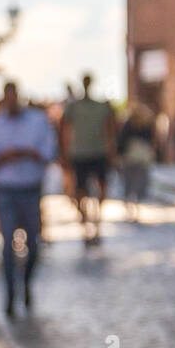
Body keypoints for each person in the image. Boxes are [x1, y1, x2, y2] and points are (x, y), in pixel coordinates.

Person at [0, 80, 58, 318]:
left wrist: (29, 153)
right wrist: (4, 157)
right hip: (6, 189)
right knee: (7, 245)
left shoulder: (37, 121)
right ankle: (10, 294)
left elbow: (49, 151)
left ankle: (26, 284)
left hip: (30, 189)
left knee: (33, 244)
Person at [62, 72, 116, 246]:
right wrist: (64, 153)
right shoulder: (74, 107)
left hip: (97, 152)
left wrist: (111, 152)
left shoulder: (101, 107)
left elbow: (109, 129)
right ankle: (85, 221)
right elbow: (64, 130)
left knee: (101, 187)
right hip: (80, 153)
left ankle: (96, 221)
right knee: (80, 191)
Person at [117, 102, 157, 221]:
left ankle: (131, 208)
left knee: (129, 183)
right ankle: (136, 208)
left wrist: (120, 154)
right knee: (139, 183)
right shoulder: (147, 124)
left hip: (130, 156)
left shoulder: (129, 124)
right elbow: (152, 141)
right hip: (142, 158)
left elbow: (122, 140)